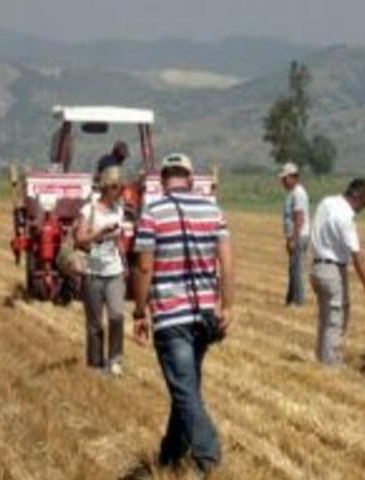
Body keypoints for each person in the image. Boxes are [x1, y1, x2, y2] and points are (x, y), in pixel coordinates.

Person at [132, 153, 235, 476]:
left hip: (170, 315)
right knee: (187, 385)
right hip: (205, 315)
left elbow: (144, 265)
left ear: (163, 179)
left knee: (185, 389)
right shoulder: (212, 209)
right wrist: (228, 305)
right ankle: (170, 453)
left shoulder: (152, 212)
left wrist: (139, 311)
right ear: (190, 179)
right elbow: (228, 262)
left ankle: (208, 454)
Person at [309, 178, 365, 366]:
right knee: (336, 319)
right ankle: (331, 364)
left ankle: (322, 359)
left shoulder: (327, 202)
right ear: (358, 197)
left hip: (316, 267)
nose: (363, 208)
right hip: (332, 271)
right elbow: (357, 257)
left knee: (325, 318)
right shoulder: (345, 218)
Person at [75, 166, 127, 375]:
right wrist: (99, 233)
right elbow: (80, 239)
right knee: (95, 323)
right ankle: (95, 364)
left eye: (120, 186)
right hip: (93, 273)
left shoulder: (119, 210)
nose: (119, 190)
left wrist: (123, 262)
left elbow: (119, 240)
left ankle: (115, 359)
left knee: (117, 316)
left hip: (114, 272)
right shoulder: (89, 211)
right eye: (115, 186)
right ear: (105, 188)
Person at [280, 162, 311, 306]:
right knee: (293, 268)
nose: (283, 181)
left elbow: (299, 218)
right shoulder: (293, 193)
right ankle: (290, 299)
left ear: (293, 177)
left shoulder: (298, 193)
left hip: (299, 236)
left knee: (297, 269)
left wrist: (293, 238)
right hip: (296, 236)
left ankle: (299, 302)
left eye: (285, 178)